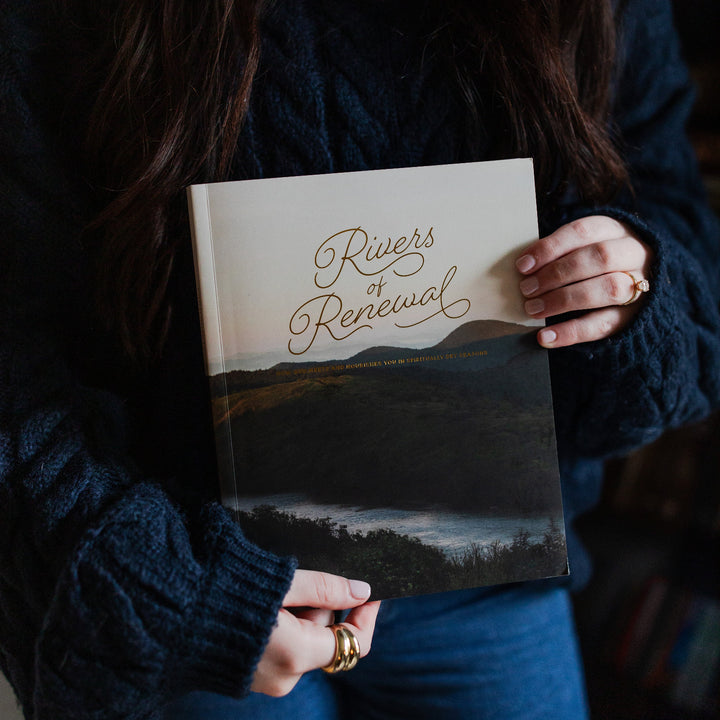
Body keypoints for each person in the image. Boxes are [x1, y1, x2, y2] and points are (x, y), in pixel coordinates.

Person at [1, 0, 719, 718]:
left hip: (490, 578)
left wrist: (634, 279)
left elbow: (680, 219)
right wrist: (164, 583)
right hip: (208, 577)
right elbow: (18, 341)